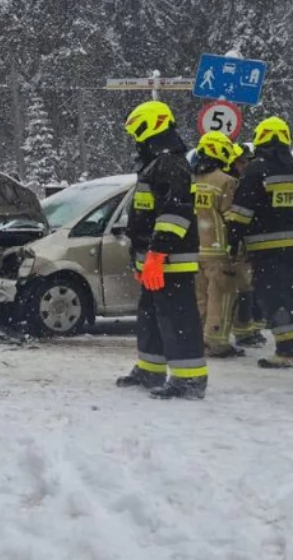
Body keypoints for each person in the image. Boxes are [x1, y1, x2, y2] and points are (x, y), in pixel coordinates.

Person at [115, 100, 207, 400]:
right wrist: (140, 258)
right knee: (152, 317)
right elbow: (144, 216)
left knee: (178, 317)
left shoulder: (170, 163)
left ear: (152, 125)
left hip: (171, 260)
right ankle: (150, 369)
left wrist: (158, 253)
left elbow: (174, 214)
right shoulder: (156, 163)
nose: (134, 138)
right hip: (153, 259)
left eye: (137, 131)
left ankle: (189, 380)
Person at [226, 117, 293, 369]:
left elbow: (241, 210)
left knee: (274, 297)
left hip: (266, 249)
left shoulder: (256, 169)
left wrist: (232, 239)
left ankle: (288, 350)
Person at [191, 132, 245, 358]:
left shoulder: (191, 180)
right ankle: (217, 342)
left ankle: (197, 339)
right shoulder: (225, 182)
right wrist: (236, 246)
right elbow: (232, 218)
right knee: (221, 297)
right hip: (219, 250)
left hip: (195, 250)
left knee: (200, 297)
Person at [227, 142, 267, 349]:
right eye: (241, 161)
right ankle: (243, 331)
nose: (244, 165)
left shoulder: (244, 180)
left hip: (246, 243)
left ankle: (251, 328)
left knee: (250, 288)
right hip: (236, 244)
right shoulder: (231, 183)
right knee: (243, 289)